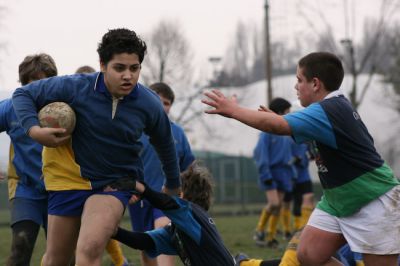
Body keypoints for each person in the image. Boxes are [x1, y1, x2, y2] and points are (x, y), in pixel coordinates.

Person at [202, 52, 400, 266]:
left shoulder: (328, 110)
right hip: (338, 202)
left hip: (373, 201)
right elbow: (285, 123)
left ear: (315, 84)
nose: (296, 86)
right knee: (307, 254)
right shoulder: (329, 109)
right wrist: (277, 119)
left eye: (299, 80)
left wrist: (234, 110)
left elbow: (276, 126)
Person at [12, 28, 180, 266]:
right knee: (56, 259)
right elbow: (22, 95)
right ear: (102, 64)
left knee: (90, 248)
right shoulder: (75, 87)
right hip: (68, 180)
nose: (128, 76)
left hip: (114, 183)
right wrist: (35, 130)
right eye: (119, 68)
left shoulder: (149, 103)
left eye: (134, 68)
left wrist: (173, 186)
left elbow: (165, 144)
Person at [111, 163, 235, 266]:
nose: (163, 189)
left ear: (180, 194)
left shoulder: (194, 215)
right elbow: (144, 241)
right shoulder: (177, 230)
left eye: (167, 186)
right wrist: (114, 231)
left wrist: (139, 187)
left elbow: (166, 203)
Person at [128, 82, 195, 266]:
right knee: (146, 247)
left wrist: (186, 191)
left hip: (167, 197)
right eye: (159, 100)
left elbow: (190, 165)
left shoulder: (178, 133)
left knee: (165, 236)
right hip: (139, 197)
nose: (162, 106)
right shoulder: (135, 129)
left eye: (167, 103)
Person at [0, 53, 57, 266]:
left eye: (46, 83)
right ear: (24, 86)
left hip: (60, 187)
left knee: (66, 256)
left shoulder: (67, 108)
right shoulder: (11, 108)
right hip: (25, 188)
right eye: (34, 85)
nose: (41, 91)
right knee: (21, 247)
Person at [74, 64, 129, 266]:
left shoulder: (110, 113)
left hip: (104, 186)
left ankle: (121, 262)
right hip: (71, 186)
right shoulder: (67, 113)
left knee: (99, 236)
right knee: (66, 248)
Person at [252, 97, 295, 248]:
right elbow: (260, 154)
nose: (289, 114)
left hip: (284, 173)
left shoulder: (286, 132)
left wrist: (293, 170)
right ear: (279, 112)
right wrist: (265, 174)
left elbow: (290, 154)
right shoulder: (266, 133)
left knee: (279, 206)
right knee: (274, 203)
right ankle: (259, 230)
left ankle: (271, 237)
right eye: (287, 112)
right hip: (270, 172)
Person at [290, 141, 314, 231]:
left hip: (305, 175)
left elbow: (311, 155)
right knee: (297, 201)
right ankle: (297, 227)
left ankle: (304, 227)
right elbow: (285, 157)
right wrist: (294, 159)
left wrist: (312, 155)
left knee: (309, 197)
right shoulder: (288, 141)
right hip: (293, 176)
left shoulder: (306, 141)